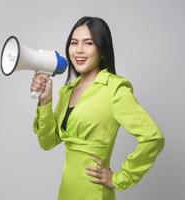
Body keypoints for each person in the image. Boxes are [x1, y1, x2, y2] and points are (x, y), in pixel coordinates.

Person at [31, 16, 165, 200]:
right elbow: (47, 143)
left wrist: (121, 178)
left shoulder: (114, 89)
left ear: (102, 50)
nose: (78, 50)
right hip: (66, 191)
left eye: (88, 43)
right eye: (74, 42)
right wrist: (45, 101)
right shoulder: (67, 90)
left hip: (94, 193)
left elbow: (153, 138)